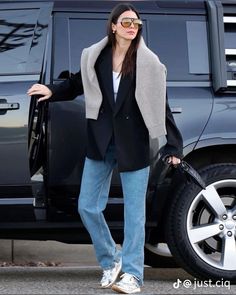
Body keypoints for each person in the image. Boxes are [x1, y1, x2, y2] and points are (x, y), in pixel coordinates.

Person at [27, 2, 183, 294]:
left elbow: (160, 103)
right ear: (113, 26)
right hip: (101, 141)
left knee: (134, 213)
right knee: (87, 205)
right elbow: (77, 82)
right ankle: (111, 260)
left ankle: (134, 275)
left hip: (134, 143)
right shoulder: (95, 56)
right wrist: (52, 90)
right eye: (126, 22)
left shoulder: (148, 63)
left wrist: (173, 144)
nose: (132, 27)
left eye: (136, 23)